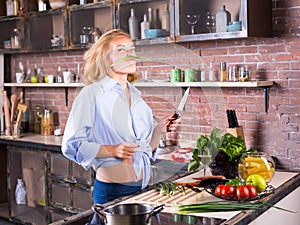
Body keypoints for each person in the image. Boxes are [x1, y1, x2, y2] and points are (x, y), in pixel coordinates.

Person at [61, 29, 180, 207]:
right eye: (120, 50)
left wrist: (158, 132)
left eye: (131, 50)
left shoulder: (137, 97)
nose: (129, 54)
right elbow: (72, 145)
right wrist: (112, 150)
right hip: (112, 191)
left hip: (141, 188)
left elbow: (143, 150)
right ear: (105, 58)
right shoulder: (91, 94)